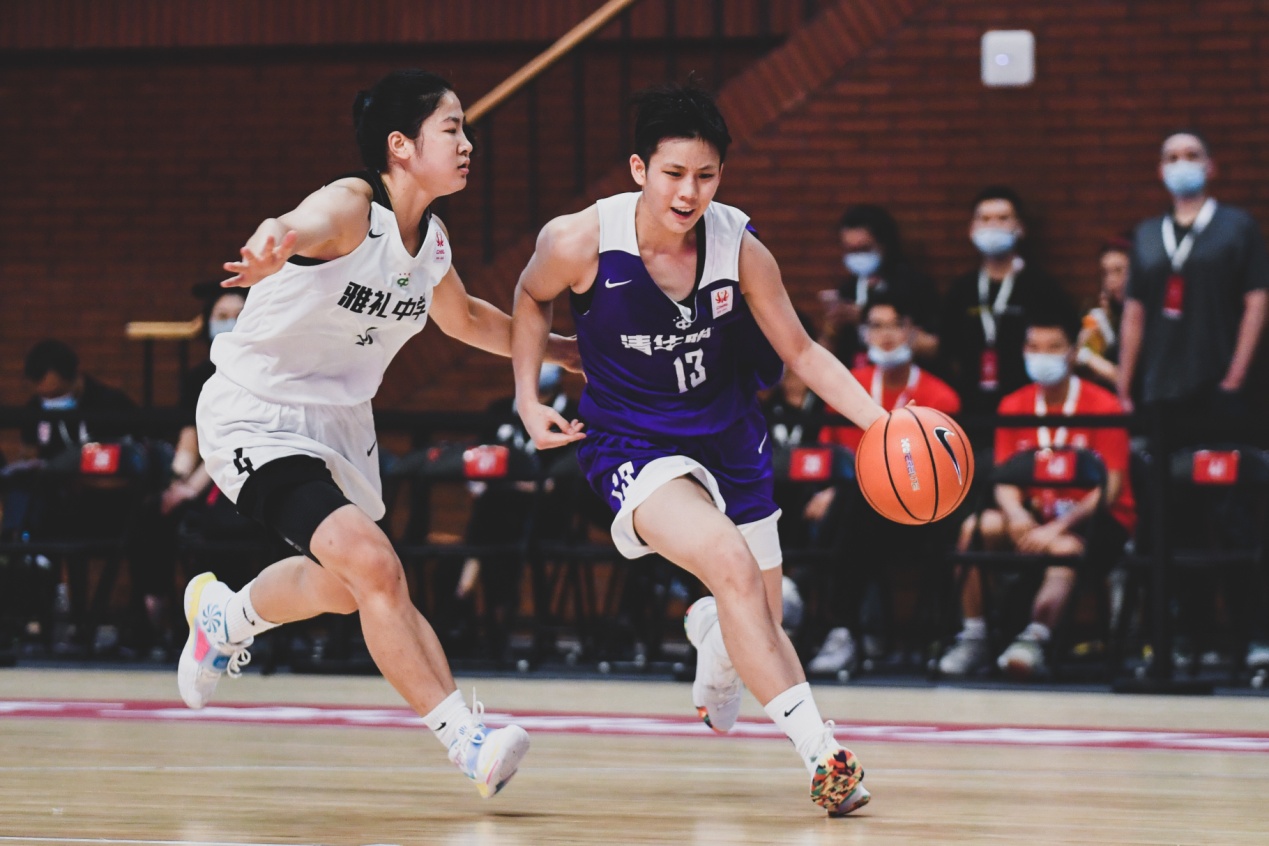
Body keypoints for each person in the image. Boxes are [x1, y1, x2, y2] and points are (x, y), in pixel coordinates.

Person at [180, 69, 579, 799]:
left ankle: (226, 616)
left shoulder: (430, 244)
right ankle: (467, 742)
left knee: (345, 587)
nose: (467, 142)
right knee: (376, 566)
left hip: (338, 426)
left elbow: (464, 318)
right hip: (258, 413)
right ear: (401, 145)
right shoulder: (351, 208)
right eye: (452, 128)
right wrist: (272, 243)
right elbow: (295, 222)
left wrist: (557, 350)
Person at [511, 82, 888, 816]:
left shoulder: (738, 247)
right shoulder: (579, 241)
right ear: (638, 170)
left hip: (728, 437)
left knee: (758, 615)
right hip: (631, 441)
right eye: (674, 173)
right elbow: (529, 297)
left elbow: (802, 352)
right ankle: (826, 756)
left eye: (706, 175)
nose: (689, 192)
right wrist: (527, 396)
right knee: (727, 562)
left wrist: (878, 422)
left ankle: (714, 639)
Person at [1116, 130, 1269, 671]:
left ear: (1211, 166)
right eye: (1172, 157)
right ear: (1161, 170)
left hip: (1221, 394)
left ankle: (1252, 636)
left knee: (1232, 517)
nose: (1182, 164)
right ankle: (1186, 635)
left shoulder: (1236, 228)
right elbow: (1134, 314)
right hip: (1163, 395)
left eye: (1192, 155)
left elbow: (1257, 301)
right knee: (1170, 520)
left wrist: (1235, 377)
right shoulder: (1147, 234)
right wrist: (1125, 386)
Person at [938, 308, 1135, 679]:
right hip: (1033, 514)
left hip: (1095, 520)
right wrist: (1016, 514)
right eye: (1034, 346)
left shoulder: (1103, 405)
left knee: (1064, 548)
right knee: (976, 528)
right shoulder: (1013, 404)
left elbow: (1111, 487)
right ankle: (975, 636)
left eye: (1053, 347)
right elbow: (1005, 478)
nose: (1042, 355)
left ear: (1073, 352)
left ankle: (1036, 639)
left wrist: (1057, 528)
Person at [806, 294, 961, 674]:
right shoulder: (847, 386)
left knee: (856, 495)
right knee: (844, 499)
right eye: (876, 326)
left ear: (913, 331)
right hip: (855, 516)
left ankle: (830, 620)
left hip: (917, 515)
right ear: (863, 334)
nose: (886, 335)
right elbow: (830, 456)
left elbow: (939, 473)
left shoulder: (940, 396)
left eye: (895, 325)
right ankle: (841, 627)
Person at [941, 187, 1069, 414]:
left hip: (1027, 408)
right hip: (970, 407)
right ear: (972, 229)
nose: (993, 226)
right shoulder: (961, 289)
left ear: (1020, 228)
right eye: (985, 219)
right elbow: (947, 348)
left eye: (1002, 218)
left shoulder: (1042, 287)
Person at [817, 204, 939, 368]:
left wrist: (866, 318)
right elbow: (823, 357)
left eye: (864, 248)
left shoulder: (915, 286)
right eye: (850, 250)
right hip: (857, 375)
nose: (858, 256)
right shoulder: (847, 290)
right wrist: (832, 328)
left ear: (884, 244)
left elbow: (934, 346)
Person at [1074, 237, 1131, 391]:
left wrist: (1086, 356)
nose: (1111, 280)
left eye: (1119, 271)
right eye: (1106, 273)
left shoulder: (1149, 315)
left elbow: (1127, 379)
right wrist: (1085, 343)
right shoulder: (1101, 314)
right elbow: (1075, 361)